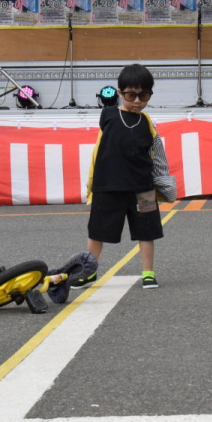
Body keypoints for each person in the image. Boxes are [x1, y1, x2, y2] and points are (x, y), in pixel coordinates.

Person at [83, 64, 175, 290]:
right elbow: (99, 150)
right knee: (97, 232)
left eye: (143, 95)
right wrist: (91, 185)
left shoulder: (147, 123)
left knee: (147, 232)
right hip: (108, 187)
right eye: (130, 95)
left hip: (142, 188)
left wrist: (164, 182)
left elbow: (158, 153)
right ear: (120, 92)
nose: (137, 101)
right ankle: (87, 272)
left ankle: (148, 273)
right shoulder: (109, 115)